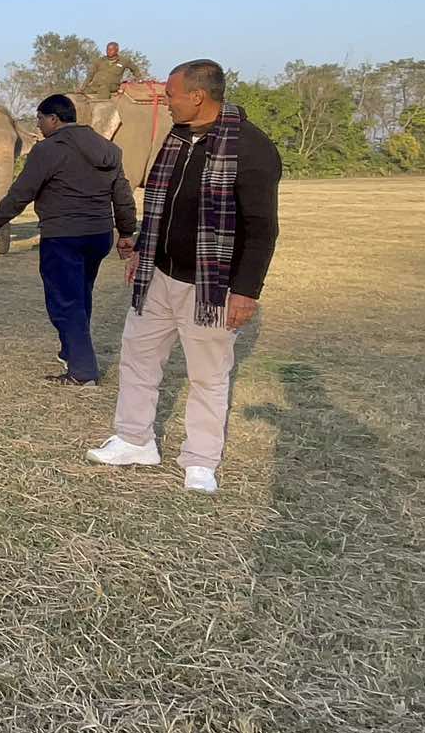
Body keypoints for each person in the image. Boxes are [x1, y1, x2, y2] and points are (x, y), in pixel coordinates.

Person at [85, 59, 282, 494]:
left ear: (197, 96)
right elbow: (163, 208)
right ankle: (134, 439)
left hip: (210, 285)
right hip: (159, 274)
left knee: (207, 376)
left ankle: (200, 460)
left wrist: (245, 291)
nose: (167, 103)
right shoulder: (177, 138)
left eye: (171, 95)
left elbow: (262, 226)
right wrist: (141, 251)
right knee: (137, 358)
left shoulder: (251, 147)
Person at [0, 94, 137, 388]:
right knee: (81, 295)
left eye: (39, 120)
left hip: (63, 235)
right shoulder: (108, 149)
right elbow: (123, 195)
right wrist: (126, 233)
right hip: (98, 235)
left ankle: (83, 371)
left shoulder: (48, 150)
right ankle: (71, 350)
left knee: (65, 302)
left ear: (54, 119)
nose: (38, 127)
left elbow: (21, 192)